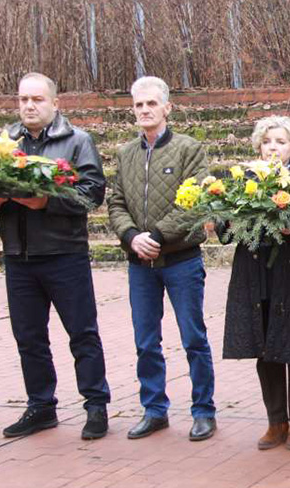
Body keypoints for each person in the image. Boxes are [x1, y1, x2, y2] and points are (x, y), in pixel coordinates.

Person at [0, 72, 110, 440]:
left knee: (82, 334)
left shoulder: (77, 141)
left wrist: (45, 202)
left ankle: (96, 405)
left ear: (55, 103)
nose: (28, 105)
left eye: (37, 99)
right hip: (18, 255)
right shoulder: (4, 143)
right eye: (23, 99)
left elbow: (91, 194)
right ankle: (40, 406)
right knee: (28, 337)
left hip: (64, 253)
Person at [107, 76, 216, 441]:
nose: (144, 110)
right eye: (138, 105)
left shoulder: (188, 150)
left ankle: (203, 410)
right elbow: (116, 202)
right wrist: (131, 236)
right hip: (140, 265)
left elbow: (196, 201)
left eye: (151, 104)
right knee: (145, 341)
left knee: (193, 338)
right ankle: (154, 409)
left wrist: (156, 235)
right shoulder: (125, 153)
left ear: (167, 107)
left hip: (181, 260)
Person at [220, 116, 290, 451]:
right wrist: (224, 217)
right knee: (265, 348)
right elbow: (226, 232)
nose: (273, 148)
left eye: (280, 142)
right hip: (257, 275)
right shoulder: (243, 183)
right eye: (267, 141)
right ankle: (275, 421)